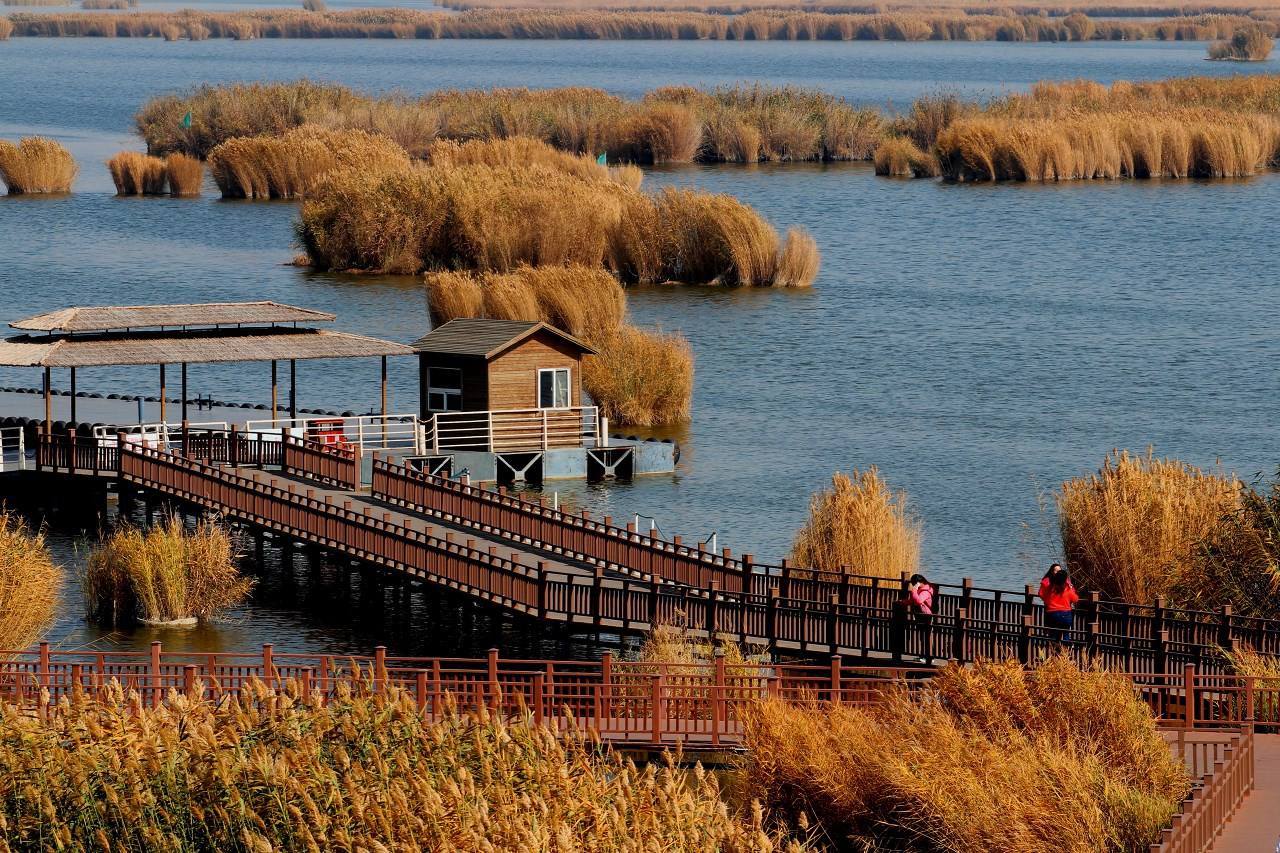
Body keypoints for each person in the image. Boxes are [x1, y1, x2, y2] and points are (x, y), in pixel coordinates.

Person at [1039, 563, 1079, 645]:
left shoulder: (1050, 588)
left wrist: (1048, 603)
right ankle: (1064, 654)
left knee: (1053, 636)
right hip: (1065, 614)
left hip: (1052, 613)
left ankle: (1054, 652)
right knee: (1065, 634)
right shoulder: (1067, 589)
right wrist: (1071, 589)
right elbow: (1075, 599)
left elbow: (1042, 595)